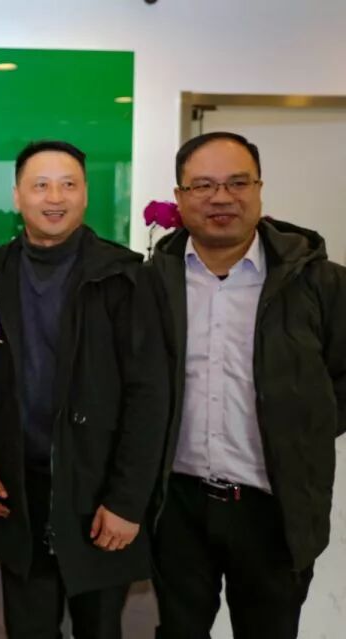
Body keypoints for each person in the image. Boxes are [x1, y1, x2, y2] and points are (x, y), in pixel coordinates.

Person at [0, 140, 168, 638]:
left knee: (100, 630)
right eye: (41, 185)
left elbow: (149, 396)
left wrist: (127, 502)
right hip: (19, 494)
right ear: (17, 195)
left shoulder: (125, 277)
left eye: (68, 185)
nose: (55, 198)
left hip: (98, 493)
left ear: (86, 194)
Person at [147, 131, 346, 639]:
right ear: (180, 197)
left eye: (237, 183)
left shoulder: (321, 283)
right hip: (177, 505)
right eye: (204, 185)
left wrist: (299, 431)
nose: (221, 197)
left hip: (273, 508)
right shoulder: (152, 283)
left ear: (259, 189)